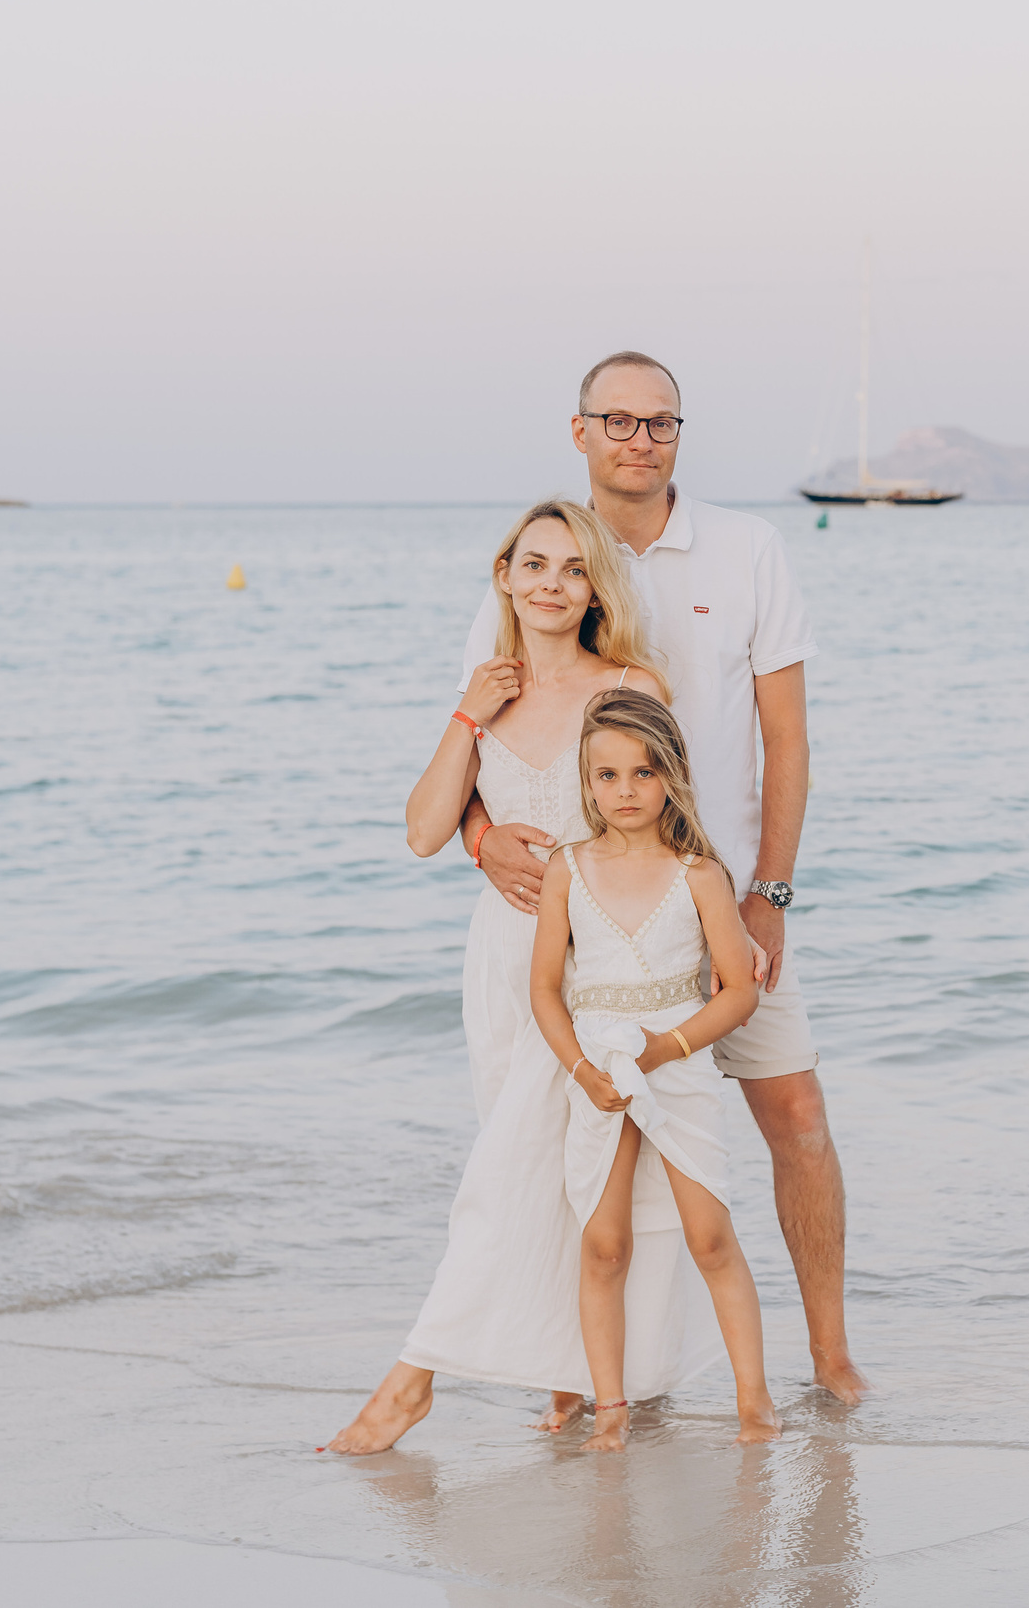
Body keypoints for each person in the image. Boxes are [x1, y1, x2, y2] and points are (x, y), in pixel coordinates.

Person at [462, 352, 867, 1409]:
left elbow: (788, 740)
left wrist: (766, 893)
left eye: (663, 423)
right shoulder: (545, 558)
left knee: (795, 1118)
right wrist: (475, 835)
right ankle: (580, 1383)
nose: (642, 440)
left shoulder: (748, 549)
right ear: (580, 430)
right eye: (621, 421)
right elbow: (480, 730)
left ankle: (828, 1359)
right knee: (575, 1143)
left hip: (724, 903)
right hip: (590, 922)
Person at [325, 498, 684, 1454]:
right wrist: (468, 720)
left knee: (526, 1172)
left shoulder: (631, 682)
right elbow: (424, 831)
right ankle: (569, 1378)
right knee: (531, 1163)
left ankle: (410, 1384)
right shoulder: (487, 687)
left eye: (572, 568)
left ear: (595, 585)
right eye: (534, 565)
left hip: (597, 958)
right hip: (500, 958)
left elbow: (656, 818)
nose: (552, 584)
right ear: (504, 576)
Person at [532, 690, 779, 1450]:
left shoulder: (700, 874)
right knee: (605, 1241)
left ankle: (754, 1400)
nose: (625, 791)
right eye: (607, 775)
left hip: (676, 1060)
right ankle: (610, 1406)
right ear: (586, 780)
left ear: (671, 774)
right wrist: (582, 1069)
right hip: (600, 1065)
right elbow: (543, 987)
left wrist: (665, 1049)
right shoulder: (567, 869)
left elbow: (738, 992)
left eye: (643, 772)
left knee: (710, 1234)